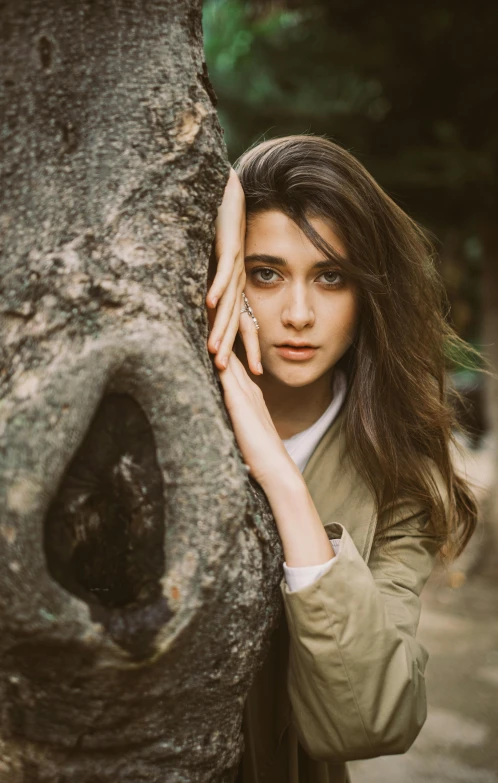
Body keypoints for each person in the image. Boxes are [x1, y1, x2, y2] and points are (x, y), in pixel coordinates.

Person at [205, 135, 478, 783]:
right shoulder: (147, 406)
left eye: (331, 277)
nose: (298, 314)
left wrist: (282, 480)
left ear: (367, 298)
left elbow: (374, 717)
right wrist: (222, 195)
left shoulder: (402, 474)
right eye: (264, 272)